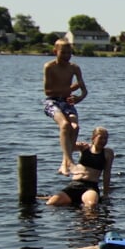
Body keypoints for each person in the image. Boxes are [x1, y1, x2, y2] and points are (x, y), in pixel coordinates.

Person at [42, 38, 88, 175]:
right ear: (55, 51)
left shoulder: (74, 68)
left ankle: (64, 163)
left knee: (75, 127)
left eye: (69, 53)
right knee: (65, 125)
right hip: (52, 102)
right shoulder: (49, 67)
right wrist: (68, 89)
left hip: (67, 102)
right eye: (63, 53)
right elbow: (48, 91)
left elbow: (84, 90)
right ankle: (71, 163)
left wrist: (78, 98)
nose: (67, 56)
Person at [46, 126, 113, 207]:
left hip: (90, 187)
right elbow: (67, 147)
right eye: (101, 138)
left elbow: (107, 174)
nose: (103, 141)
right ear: (93, 138)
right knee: (51, 203)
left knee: (91, 205)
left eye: (105, 138)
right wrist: (74, 143)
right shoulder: (84, 148)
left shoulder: (108, 153)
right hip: (74, 185)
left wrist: (105, 194)